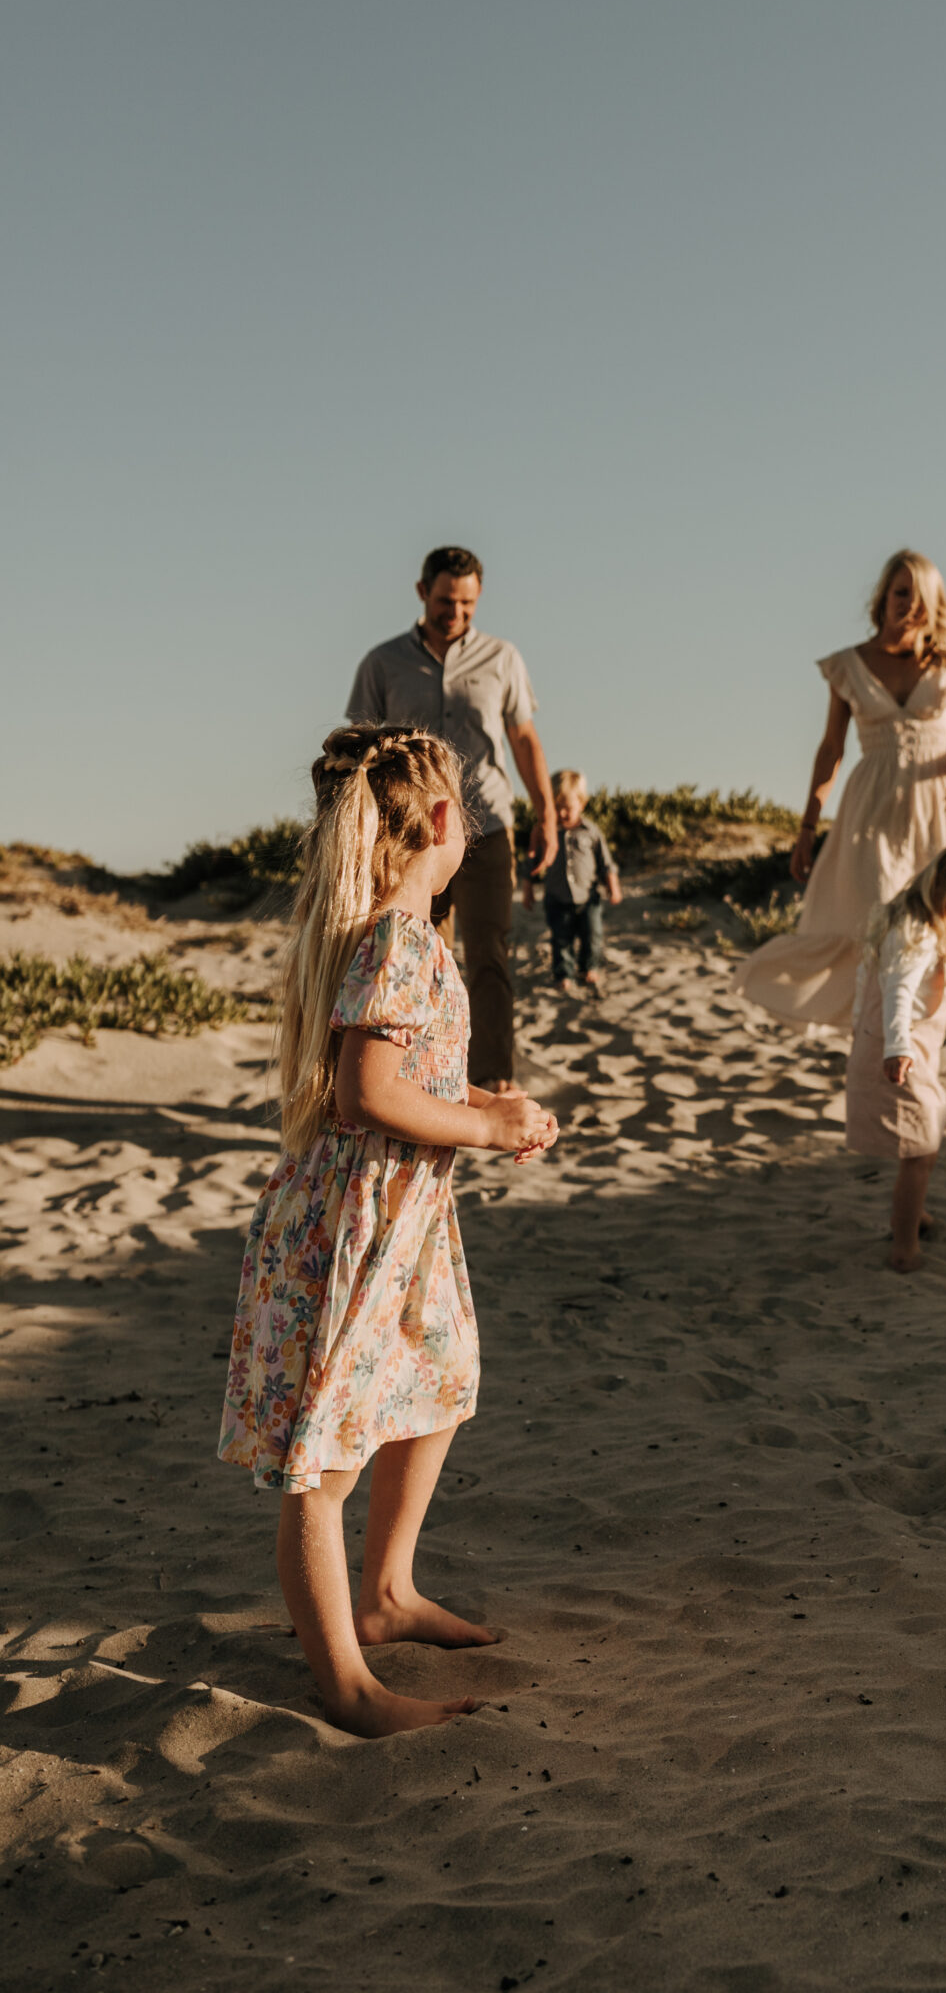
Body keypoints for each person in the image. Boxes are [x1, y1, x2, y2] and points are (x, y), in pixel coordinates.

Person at [217, 724, 558, 1735]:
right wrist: (491, 1127)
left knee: (442, 1379)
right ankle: (348, 1684)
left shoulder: (392, 933)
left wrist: (482, 1099)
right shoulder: (397, 939)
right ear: (446, 823)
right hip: (358, 1220)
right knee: (324, 1462)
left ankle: (388, 1590)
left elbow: (402, 1078)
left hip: (402, 1216)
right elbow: (369, 1096)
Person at [734, 549, 946, 1033]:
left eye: (921, 596)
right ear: (883, 596)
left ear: (936, 605)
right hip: (871, 807)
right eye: (901, 591)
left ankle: (916, 1040)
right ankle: (877, 1034)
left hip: (934, 805)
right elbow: (830, 749)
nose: (909, 604)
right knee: (877, 920)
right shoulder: (850, 665)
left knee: (934, 926)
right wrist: (808, 826)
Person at [346, 545, 556, 1089]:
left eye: (466, 603)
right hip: (409, 838)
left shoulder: (503, 658)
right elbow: (357, 751)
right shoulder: (382, 662)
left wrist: (547, 815)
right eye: (445, 601)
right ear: (422, 593)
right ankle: (411, 1078)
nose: (455, 613)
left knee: (490, 955)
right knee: (409, 952)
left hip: (486, 827)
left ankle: (490, 1080)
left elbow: (524, 738)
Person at [846, 832, 946, 1271]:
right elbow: (896, 992)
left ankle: (912, 1213)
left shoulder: (917, 919)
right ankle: (904, 1248)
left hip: (907, 1047)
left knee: (926, 1136)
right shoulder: (914, 934)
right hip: (898, 1051)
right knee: (917, 1150)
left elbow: (867, 986)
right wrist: (896, 1048)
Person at [540, 768, 622, 997]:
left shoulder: (591, 832)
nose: (563, 813)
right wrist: (527, 889)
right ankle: (563, 974)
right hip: (557, 898)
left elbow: (606, 863)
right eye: (557, 808)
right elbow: (533, 862)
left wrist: (613, 887)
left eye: (568, 807)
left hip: (589, 898)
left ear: (582, 804)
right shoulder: (549, 833)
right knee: (561, 939)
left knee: (592, 936)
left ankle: (589, 967)